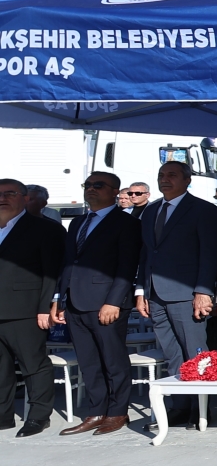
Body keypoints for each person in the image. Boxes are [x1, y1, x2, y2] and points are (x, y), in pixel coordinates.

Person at [52, 172, 142, 436]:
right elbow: (67, 263)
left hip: (106, 303)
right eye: (88, 185)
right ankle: (96, 412)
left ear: (115, 191)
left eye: (98, 185)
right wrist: (58, 299)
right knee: (88, 362)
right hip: (74, 303)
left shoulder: (126, 223)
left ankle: (117, 412)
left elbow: (127, 266)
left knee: (113, 361)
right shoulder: (78, 222)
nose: (91, 189)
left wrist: (113, 302)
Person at [135, 160, 217, 419]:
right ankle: (180, 406)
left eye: (172, 175)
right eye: (161, 174)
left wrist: (203, 291)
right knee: (172, 353)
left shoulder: (203, 210)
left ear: (187, 180)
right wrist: (141, 290)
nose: (165, 179)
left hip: (187, 294)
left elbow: (210, 254)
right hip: (155, 294)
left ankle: (202, 408)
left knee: (195, 352)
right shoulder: (151, 211)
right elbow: (146, 253)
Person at [0, 176, 65, 437]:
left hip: (25, 310)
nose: (3, 198)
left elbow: (51, 272)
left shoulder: (44, 229)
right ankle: (3, 416)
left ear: (25, 198)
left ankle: (38, 416)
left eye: (10, 193)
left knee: (33, 365)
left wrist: (45, 307)